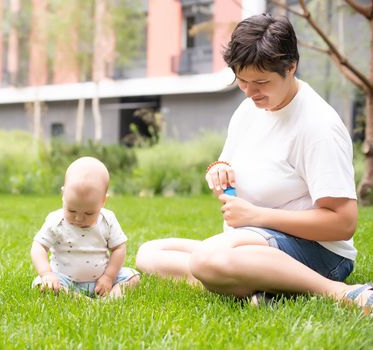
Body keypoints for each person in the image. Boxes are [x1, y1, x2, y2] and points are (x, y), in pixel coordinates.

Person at [135, 13, 372, 312]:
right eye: (242, 80)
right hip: (250, 246)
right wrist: (217, 170)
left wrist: (256, 216)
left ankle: (340, 291)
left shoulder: (317, 127)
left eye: (261, 82)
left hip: (319, 254)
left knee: (207, 259)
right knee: (150, 253)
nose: (249, 92)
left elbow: (343, 222)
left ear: (291, 67)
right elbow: (227, 161)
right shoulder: (252, 108)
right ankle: (260, 287)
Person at [31, 156, 140, 298]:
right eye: (71, 210)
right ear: (63, 195)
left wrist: (109, 276)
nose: (79, 218)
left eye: (89, 213)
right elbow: (39, 246)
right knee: (43, 284)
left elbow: (119, 247)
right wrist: (47, 274)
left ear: (103, 201)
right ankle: (76, 298)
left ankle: (111, 299)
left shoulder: (107, 220)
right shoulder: (56, 220)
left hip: (100, 281)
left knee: (133, 277)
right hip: (64, 280)